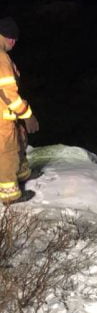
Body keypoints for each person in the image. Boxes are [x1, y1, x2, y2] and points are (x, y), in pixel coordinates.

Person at [0, 17, 39, 204]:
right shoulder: (1, 57)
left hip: (8, 114)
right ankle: (10, 195)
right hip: (2, 116)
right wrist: (27, 115)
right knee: (6, 152)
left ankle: (23, 173)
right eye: (12, 39)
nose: (13, 43)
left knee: (19, 140)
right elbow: (7, 93)